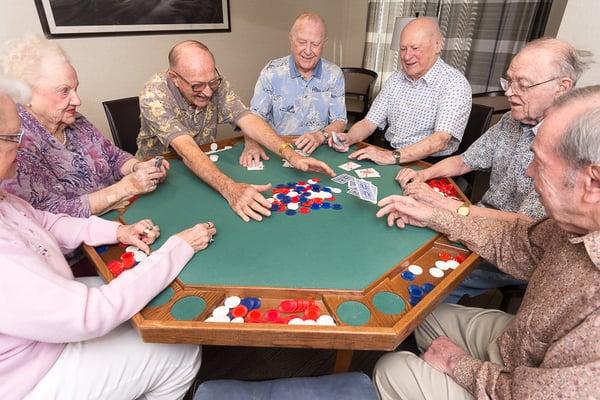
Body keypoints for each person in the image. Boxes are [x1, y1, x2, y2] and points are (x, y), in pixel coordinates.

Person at [373, 85, 600, 399]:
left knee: (391, 368)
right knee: (420, 315)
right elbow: (516, 241)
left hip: (521, 385)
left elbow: (524, 395)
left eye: (540, 163)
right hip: (520, 343)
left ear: (592, 183)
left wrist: (457, 364)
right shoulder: (575, 224)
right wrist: (433, 216)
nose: (529, 171)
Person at [0, 77, 215, 399]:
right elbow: (89, 315)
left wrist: (118, 230)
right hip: (28, 373)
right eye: (12, 136)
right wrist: (177, 248)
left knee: (139, 300)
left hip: (44, 318)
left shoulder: (6, 198)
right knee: (180, 351)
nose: (21, 143)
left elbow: (46, 222)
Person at [396, 37, 592, 303]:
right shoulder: (513, 119)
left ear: (562, 88)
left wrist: (447, 207)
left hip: (515, 247)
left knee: (421, 281)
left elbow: (528, 227)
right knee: (411, 240)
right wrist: (423, 175)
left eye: (522, 84)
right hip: (478, 218)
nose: (510, 92)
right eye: (509, 81)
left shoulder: (570, 146)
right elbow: (466, 160)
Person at [136, 40, 335, 222]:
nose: (208, 91)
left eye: (212, 82)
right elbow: (186, 150)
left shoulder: (212, 80)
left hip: (203, 165)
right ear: (175, 78)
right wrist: (231, 189)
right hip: (160, 177)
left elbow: (247, 119)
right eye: (197, 86)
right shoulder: (153, 94)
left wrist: (291, 155)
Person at [0, 35, 168, 218]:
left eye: (75, 89)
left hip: (123, 214)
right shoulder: (14, 141)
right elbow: (47, 214)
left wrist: (138, 168)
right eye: (64, 91)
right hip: (82, 239)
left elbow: (113, 156)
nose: (77, 100)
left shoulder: (74, 120)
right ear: (28, 95)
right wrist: (126, 188)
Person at [329, 17, 471, 165]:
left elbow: (440, 140)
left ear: (437, 46)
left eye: (415, 48)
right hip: (391, 153)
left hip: (429, 164)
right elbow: (369, 123)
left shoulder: (455, 83)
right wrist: (349, 138)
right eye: (403, 49)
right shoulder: (396, 78)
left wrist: (391, 157)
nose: (407, 56)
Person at [246, 13, 346, 161]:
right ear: (291, 40)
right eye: (302, 42)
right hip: (278, 149)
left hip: (319, 150)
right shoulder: (271, 71)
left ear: (324, 44)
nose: (307, 50)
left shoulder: (334, 73)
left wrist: (320, 136)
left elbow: (340, 121)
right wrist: (251, 143)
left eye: (315, 44)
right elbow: (254, 118)